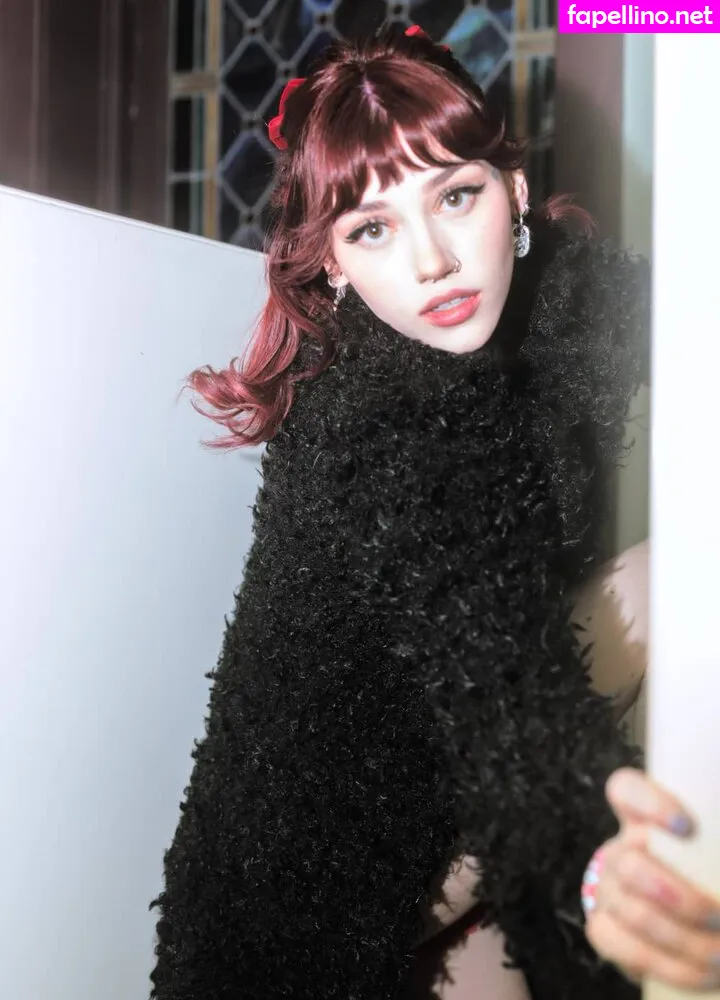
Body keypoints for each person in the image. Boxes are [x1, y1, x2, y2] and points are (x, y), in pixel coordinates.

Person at [149, 25, 720, 1000]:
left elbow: (693, 321)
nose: (432, 262)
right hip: (304, 923)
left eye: (456, 197)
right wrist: (604, 879)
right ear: (334, 264)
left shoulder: (556, 289)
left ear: (515, 190)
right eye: (371, 229)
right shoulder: (377, 422)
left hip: (443, 819)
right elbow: (515, 711)